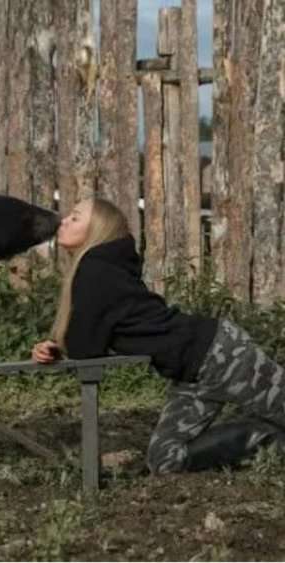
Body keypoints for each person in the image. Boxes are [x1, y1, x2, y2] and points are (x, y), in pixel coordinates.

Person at [32, 197, 285, 474]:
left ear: (97, 230)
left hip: (221, 355)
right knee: (165, 460)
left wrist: (61, 347)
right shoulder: (101, 269)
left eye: (75, 217)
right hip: (191, 375)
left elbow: (86, 349)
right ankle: (268, 436)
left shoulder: (95, 269)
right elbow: (90, 338)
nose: (64, 220)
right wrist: (56, 347)